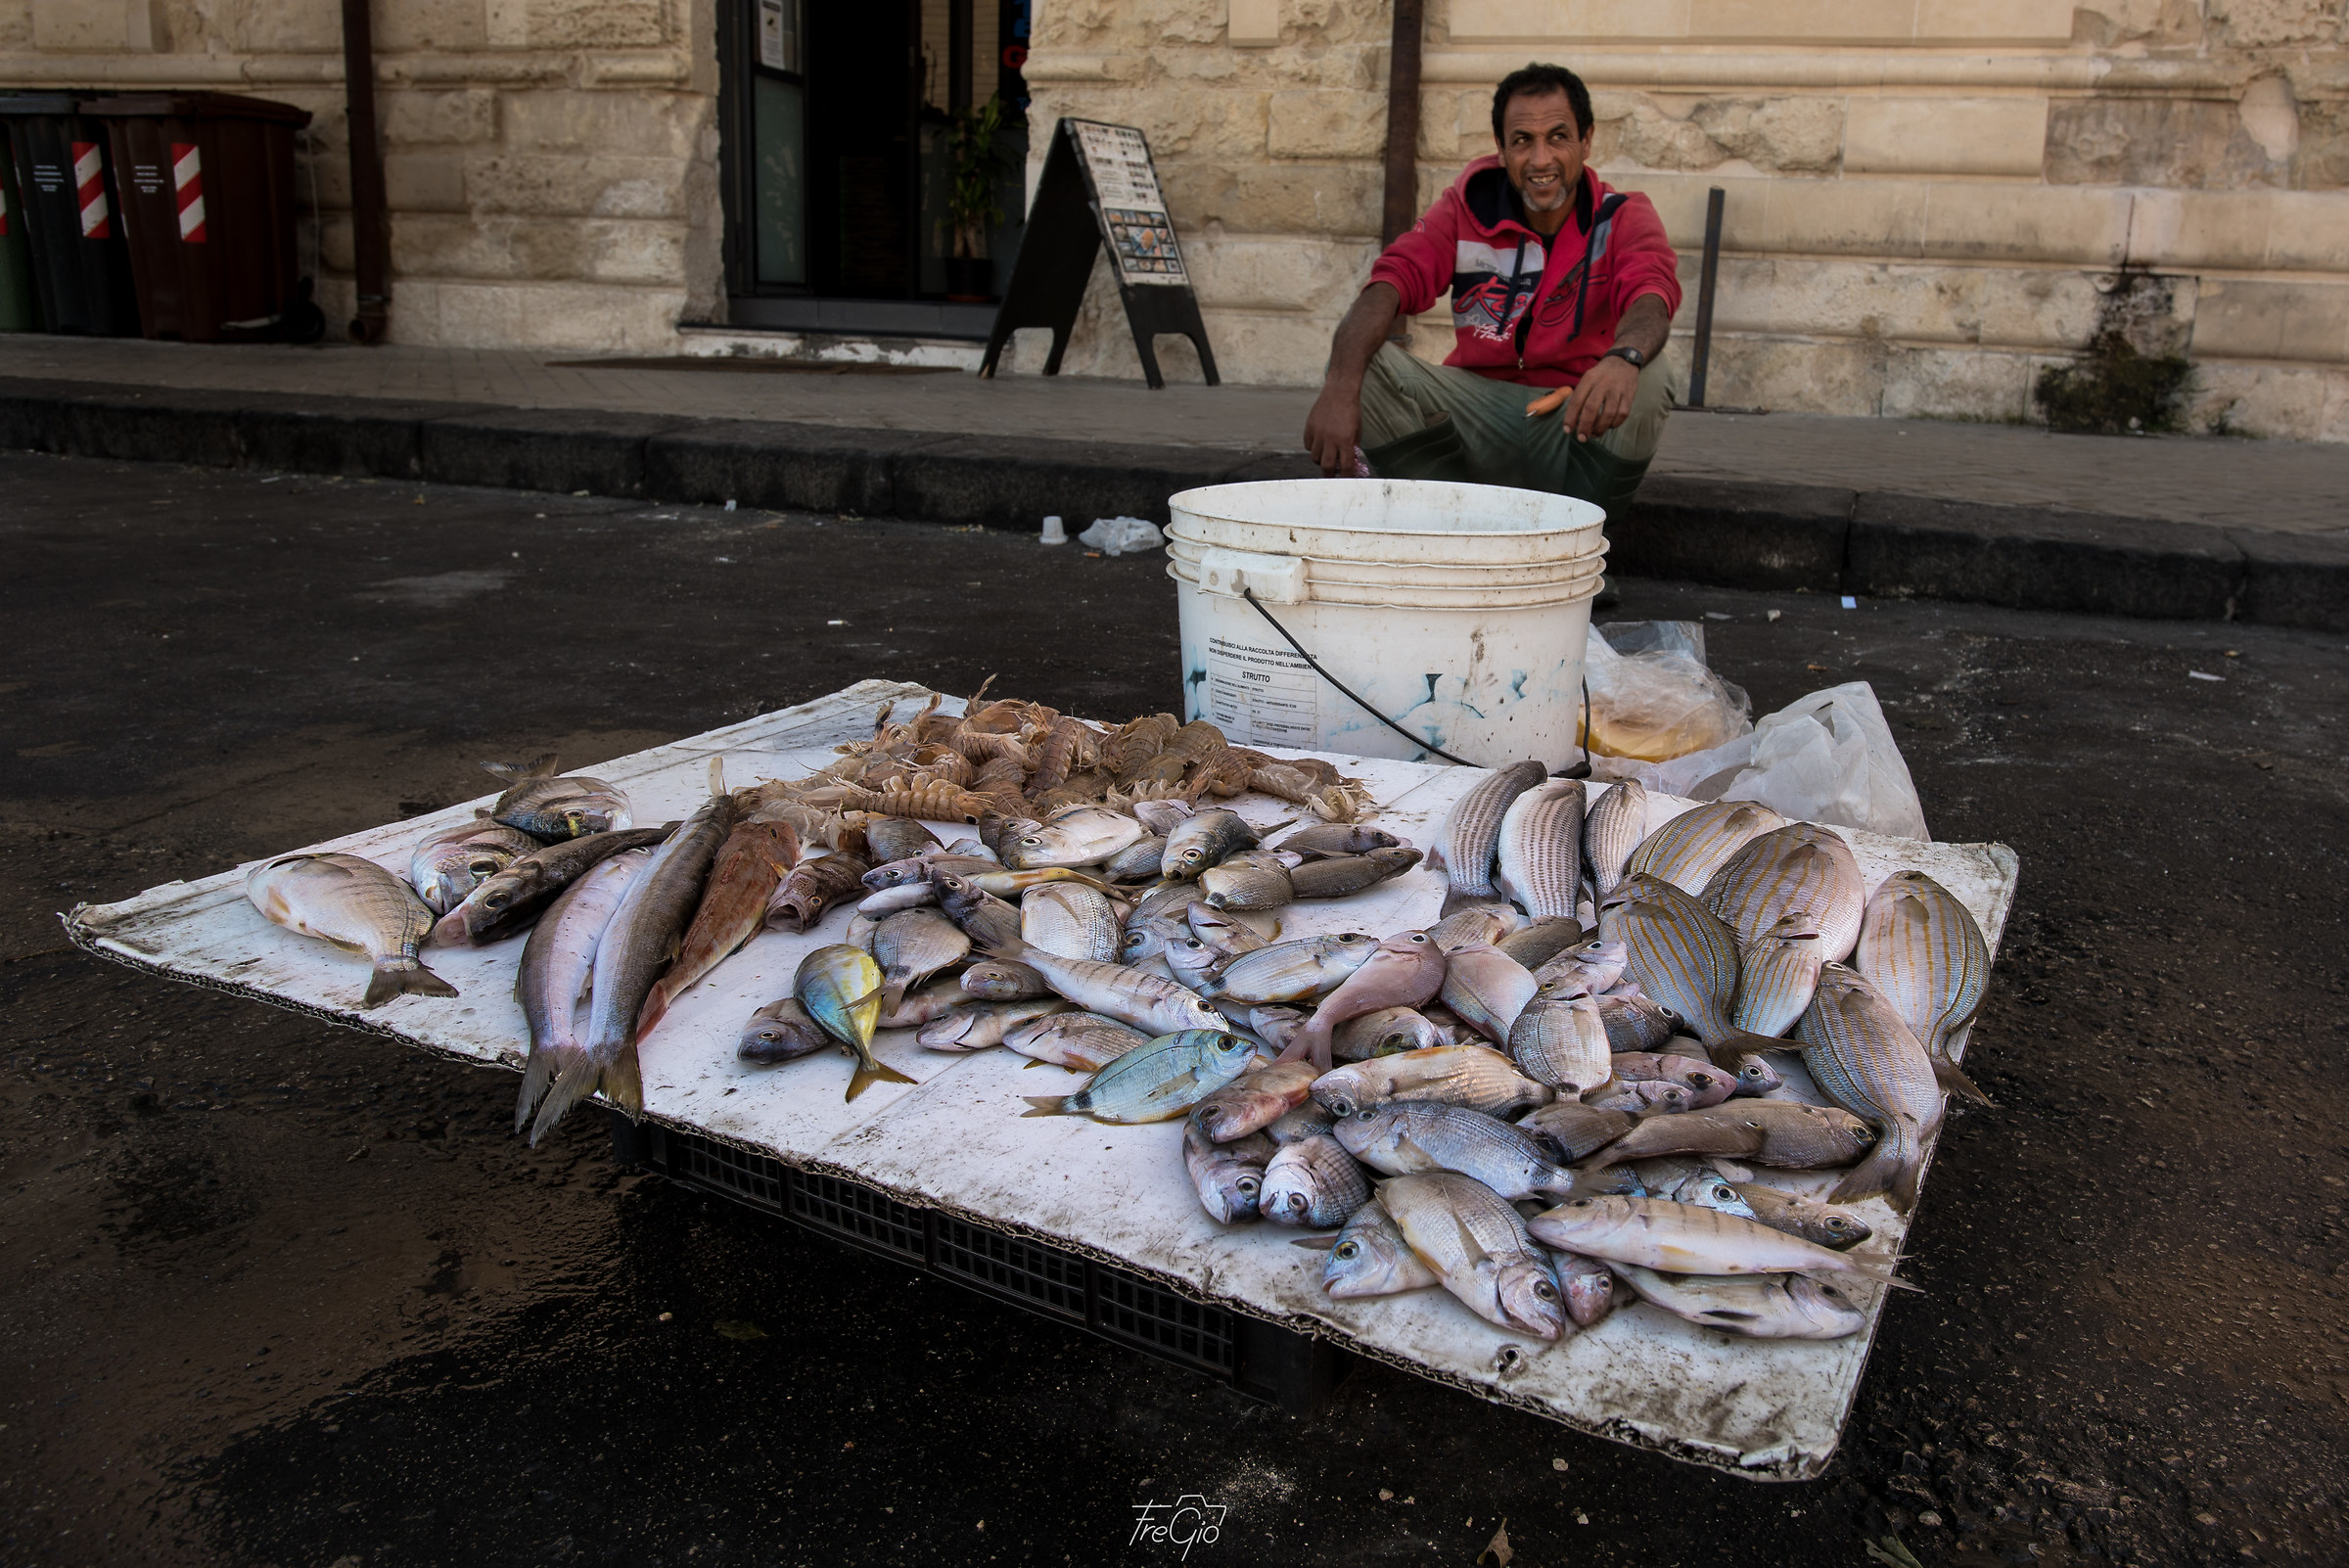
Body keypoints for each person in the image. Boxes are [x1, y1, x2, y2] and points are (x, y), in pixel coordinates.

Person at [1302, 63, 1681, 518]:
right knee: (1359, 360)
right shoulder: (1464, 208)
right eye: (1522, 141)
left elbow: (1651, 296)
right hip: (1477, 416)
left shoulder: (1623, 215)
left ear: (1587, 141)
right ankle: (1450, 530)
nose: (1540, 159)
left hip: (1575, 419)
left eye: (1558, 137)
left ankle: (1583, 538)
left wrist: (1623, 358)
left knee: (1651, 368)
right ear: (1501, 149)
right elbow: (1393, 279)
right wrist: (1339, 385)